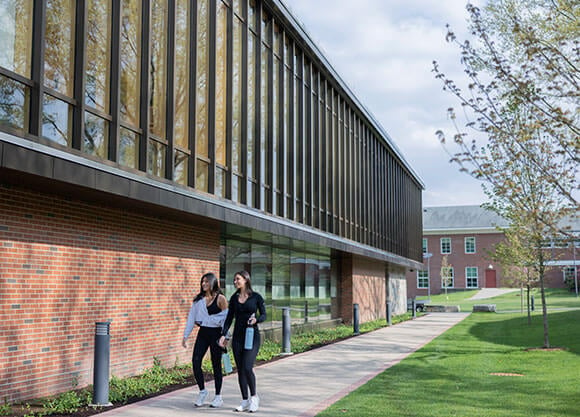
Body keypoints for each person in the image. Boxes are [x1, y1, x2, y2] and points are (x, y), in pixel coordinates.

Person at [219, 270, 266, 413]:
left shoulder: (256, 297)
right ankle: (245, 400)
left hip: (252, 336)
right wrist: (223, 335)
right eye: (234, 279)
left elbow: (264, 314)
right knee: (240, 370)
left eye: (237, 279)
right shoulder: (233, 298)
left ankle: (254, 398)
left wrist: (257, 319)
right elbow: (229, 318)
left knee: (247, 367)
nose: (235, 282)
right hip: (238, 337)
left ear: (245, 279)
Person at [182, 272, 228, 408]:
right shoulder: (198, 300)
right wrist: (185, 336)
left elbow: (227, 319)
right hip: (203, 333)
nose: (204, 284)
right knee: (195, 361)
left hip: (216, 334)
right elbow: (192, 318)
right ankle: (202, 391)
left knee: (216, 364)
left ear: (213, 282)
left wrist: (225, 336)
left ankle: (218, 396)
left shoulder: (221, 299)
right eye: (202, 282)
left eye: (207, 282)